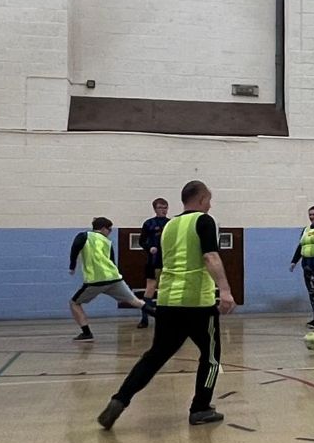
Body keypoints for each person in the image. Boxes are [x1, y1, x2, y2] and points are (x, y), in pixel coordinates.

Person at [98, 180, 237, 429]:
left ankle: (119, 401)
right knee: (211, 356)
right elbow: (210, 255)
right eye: (209, 199)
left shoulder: (170, 225)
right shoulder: (205, 221)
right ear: (202, 199)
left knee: (154, 357)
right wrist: (225, 290)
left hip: (168, 301)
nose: (211, 204)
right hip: (198, 303)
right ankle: (200, 408)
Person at [69, 217, 147, 341]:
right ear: (103, 228)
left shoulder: (84, 236)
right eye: (109, 229)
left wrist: (72, 266)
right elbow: (112, 261)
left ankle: (86, 332)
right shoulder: (107, 242)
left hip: (96, 280)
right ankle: (165, 319)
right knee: (136, 302)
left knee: (74, 303)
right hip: (114, 278)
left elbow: (75, 247)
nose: (110, 232)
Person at [137, 197, 173, 328]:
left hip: (168, 262)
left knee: (167, 289)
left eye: (165, 207)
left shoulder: (172, 223)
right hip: (153, 262)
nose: (163, 210)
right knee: (150, 289)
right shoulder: (149, 224)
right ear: (155, 209)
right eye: (160, 208)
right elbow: (142, 240)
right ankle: (144, 319)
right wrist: (149, 248)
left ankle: (167, 318)